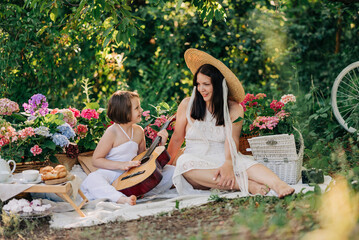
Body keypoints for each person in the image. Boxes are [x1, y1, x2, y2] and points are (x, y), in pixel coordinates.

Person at [167, 48, 294, 198]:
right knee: (183, 164)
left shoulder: (234, 109)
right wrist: (166, 166)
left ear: (218, 85)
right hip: (195, 159)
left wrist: (227, 163)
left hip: (224, 154)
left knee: (245, 164)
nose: (201, 89)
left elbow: (232, 139)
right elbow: (176, 138)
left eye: (206, 84)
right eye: (198, 84)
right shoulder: (187, 104)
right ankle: (243, 184)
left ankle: (279, 185)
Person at [81, 91, 175, 205]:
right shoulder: (112, 132)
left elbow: (144, 157)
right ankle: (121, 198)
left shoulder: (138, 131)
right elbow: (96, 160)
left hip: (132, 175)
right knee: (93, 179)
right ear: (124, 112)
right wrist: (122, 165)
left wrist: (161, 144)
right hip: (112, 173)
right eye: (137, 108)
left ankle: (140, 191)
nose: (141, 110)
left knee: (172, 171)